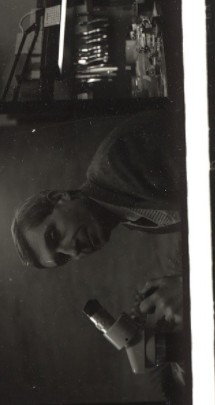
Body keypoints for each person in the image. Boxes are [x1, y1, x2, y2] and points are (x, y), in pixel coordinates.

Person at [10, 109, 185, 328]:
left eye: (54, 236)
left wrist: (186, 286)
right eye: (63, 258)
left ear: (60, 197)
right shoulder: (130, 218)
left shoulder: (120, 162)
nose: (73, 251)